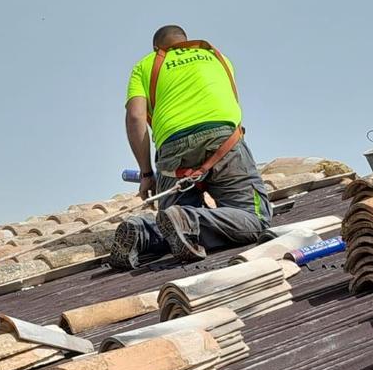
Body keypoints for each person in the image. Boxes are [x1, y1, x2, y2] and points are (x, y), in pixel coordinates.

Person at [110, 25, 271, 269]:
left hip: (172, 153)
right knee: (254, 218)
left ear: (157, 48)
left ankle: (143, 232)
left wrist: (146, 173)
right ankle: (186, 219)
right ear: (185, 41)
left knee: (179, 228)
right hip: (224, 144)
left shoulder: (146, 65)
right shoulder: (218, 58)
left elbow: (135, 117)